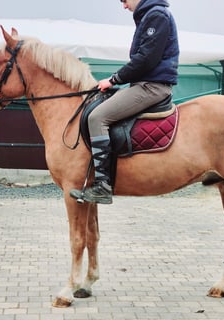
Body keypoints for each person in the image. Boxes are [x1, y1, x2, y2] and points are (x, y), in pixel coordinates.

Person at [70, 0, 179, 204]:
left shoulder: (156, 16)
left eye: (124, 0)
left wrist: (114, 79)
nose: (124, 6)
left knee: (97, 117)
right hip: (144, 83)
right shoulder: (150, 15)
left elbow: (146, 59)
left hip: (151, 86)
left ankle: (102, 185)